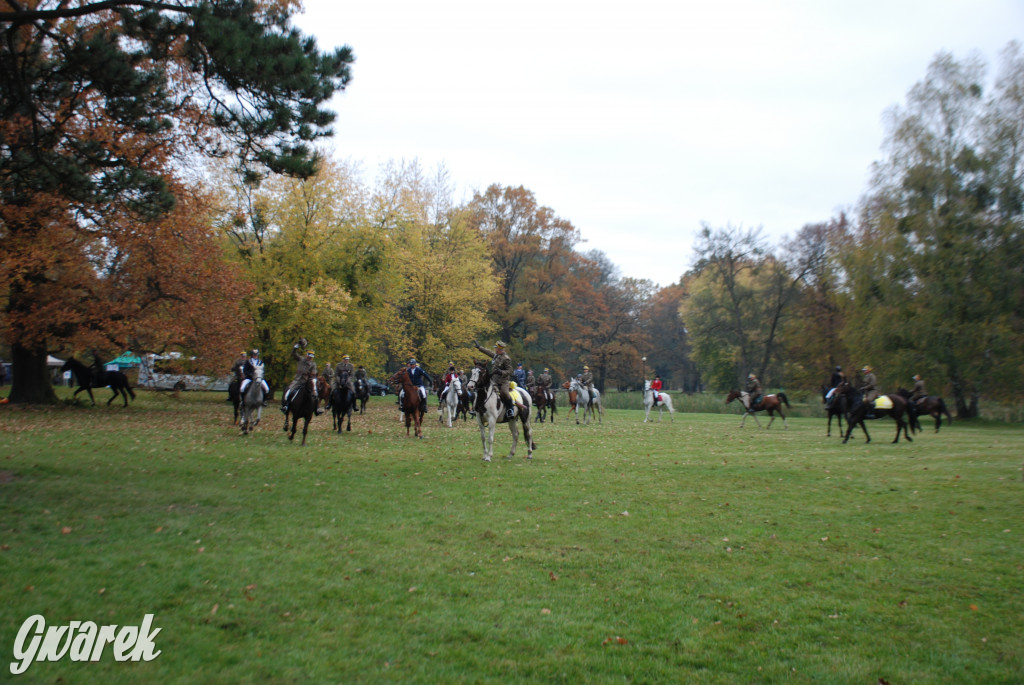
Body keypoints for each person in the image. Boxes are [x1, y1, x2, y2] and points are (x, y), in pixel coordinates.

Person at [474, 339, 526, 418]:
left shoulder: (506, 358)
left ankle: (510, 410)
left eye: (496, 348)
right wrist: (479, 347)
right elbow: (488, 352)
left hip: (503, 382)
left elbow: (510, 371)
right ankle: (477, 409)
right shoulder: (496, 355)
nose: (495, 350)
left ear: (500, 349)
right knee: (481, 390)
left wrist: (501, 372)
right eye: (495, 348)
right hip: (494, 380)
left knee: (504, 393)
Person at [281, 338, 321, 415]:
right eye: (309, 355)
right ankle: (286, 405)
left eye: (311, 356)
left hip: (308, 381)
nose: (310, 357)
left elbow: (314, 372)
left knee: (315, 393)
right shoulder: (301, 359)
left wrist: (310, 375)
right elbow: (293, 354)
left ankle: (317, 408)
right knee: (290, 390)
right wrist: (296, 346)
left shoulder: (313, 364)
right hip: (298, 380)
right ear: (307, 355)